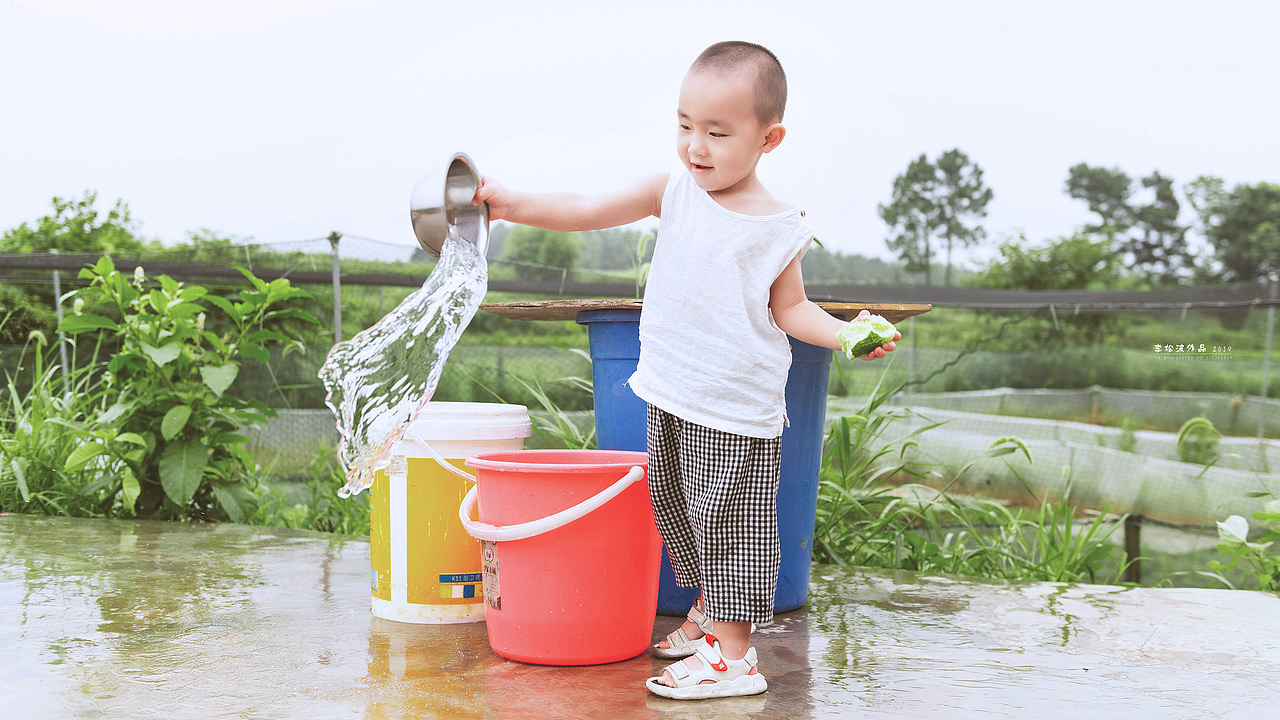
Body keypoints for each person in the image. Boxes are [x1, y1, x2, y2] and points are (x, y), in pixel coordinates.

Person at [473, 40, 898, 700]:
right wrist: (513, 205)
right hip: (673, 394)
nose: (696, 146)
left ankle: (733, 657)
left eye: (718, 133)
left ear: (768, 138)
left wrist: (846, 335)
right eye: (685, 126)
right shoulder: (672, 192)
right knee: (678, 512)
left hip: (734, 408)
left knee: (730, 527)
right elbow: (585, 208)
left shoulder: (777, 227)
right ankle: (707, 616)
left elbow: (792, 308)